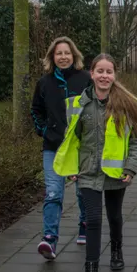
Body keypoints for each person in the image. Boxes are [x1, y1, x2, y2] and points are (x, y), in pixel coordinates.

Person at [53, 54, 137, 272]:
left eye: (109, 71)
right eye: (100, 71)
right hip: (87, 172)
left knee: (114, 217)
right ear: (91, 73)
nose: (105, 76)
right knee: (92, 221)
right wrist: (72, 168)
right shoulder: (78, 104)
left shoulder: (127, 103)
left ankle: (116, 250)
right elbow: (72, 139)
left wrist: (131, 167)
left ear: (115, 75)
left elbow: (136, 141)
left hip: (115, 173)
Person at [31, 36, 92, 260]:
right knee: (54, 193)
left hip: (79, 147)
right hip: (53, 146)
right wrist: (44, 130)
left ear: (74, 55)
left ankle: (85, 224)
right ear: (52, 57)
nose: (63, 57)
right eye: (59, 53)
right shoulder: (44, 83)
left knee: (82, 190)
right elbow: (36, 110)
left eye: (67, 53)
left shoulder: (86, 79)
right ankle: (49, 239)